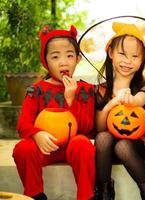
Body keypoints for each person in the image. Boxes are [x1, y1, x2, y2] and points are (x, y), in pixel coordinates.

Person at [13, 25, 96, 200]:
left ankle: (86, 195)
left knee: (83, 143)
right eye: (55, 56)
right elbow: (23, 125)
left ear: (78, 59)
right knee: (23, 148)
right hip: (46, 149)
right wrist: (37, 135)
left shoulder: (85, 90)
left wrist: (71, 100)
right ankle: (35, 194)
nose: (63, 62)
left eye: (69, 56)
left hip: (72, 147)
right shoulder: (37, 90)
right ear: (46, 61)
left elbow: (87, 127)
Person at [94, 22, 145, 200]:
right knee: (103, 138)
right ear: (110, 53)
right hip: (108, 150)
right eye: (122, 54)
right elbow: (99, 127)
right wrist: (111, 104)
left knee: (122, 145)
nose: (127, 61)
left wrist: (131, 100)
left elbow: (141, 99)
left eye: (135, 56)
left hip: (136, 145)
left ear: (142, 61)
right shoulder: (102, 90)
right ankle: (103, 193)